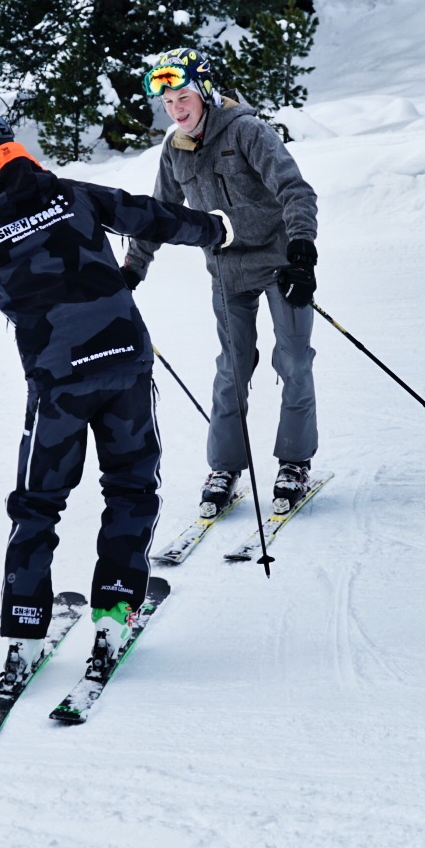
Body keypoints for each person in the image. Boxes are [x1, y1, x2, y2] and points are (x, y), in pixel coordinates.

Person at [0, 108, 232, 686]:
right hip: (126, 365)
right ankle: (115, 612)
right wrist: (214, 229)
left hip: (59, 388)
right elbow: (149, 216)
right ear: (9, 145)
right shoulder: (73, 194)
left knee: (38, 505)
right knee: (131, 487)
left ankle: (26, 629)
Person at [124, 47, 321, 518]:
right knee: (232, 368)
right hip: (227, 273)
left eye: (183, 97)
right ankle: (225, 468)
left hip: (279, 265)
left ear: (204, 92)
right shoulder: (174, 149)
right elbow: (159, 214)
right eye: (167, 103)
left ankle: (294, 461)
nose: (176, 109)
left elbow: (295, 190)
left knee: (293, 359)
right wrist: (133, 267)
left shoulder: (247, 131)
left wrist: (302, 249)